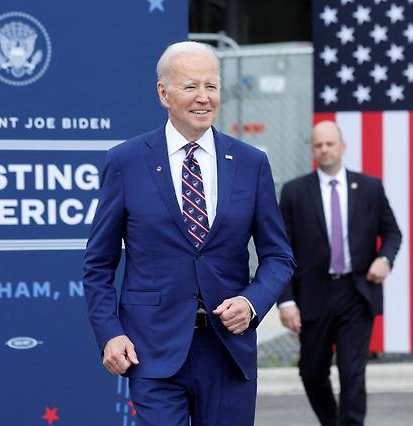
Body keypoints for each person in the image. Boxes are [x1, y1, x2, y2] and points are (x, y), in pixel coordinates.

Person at [83, 41, 295, 426]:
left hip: (227, 352)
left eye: (211, 87)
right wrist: (110, 333)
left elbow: (279, 257)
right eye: (190, 87)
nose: (203, 98)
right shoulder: (125, 162)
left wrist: (251, 303)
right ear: (163, 93)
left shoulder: (251, 163)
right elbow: (98, 264)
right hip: (152, 350)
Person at [277, 120, 402, 426]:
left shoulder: (369, 187)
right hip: (314, 296)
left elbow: (392, 232)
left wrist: (384, 259)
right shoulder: (295, 192)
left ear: (343, 147)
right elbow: (279, 250)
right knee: (312, 371)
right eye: (318, 145)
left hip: (356, 292)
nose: (324, 150)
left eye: (330, 144)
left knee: (352, 372)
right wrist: (286, 301)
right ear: (313, 150)